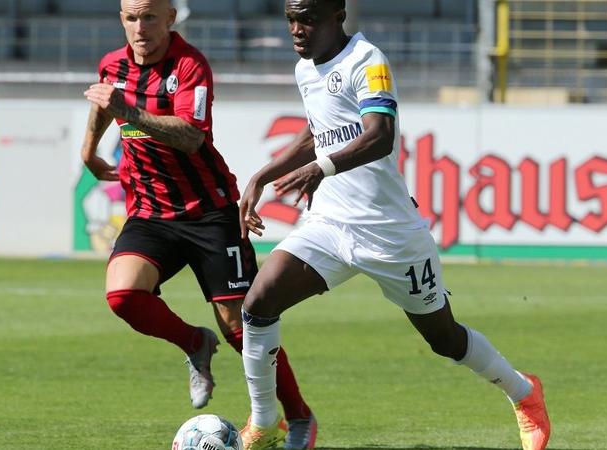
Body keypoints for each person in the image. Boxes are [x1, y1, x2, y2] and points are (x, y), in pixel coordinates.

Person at [237, 1, 551, 450]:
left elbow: (379, 134)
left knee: (444, 339)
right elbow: (316, 130)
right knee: (259, 301)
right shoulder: (305, 69)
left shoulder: (367, 60)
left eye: (306, 17)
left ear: (336, 14)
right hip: (329, 222)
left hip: (390, 233)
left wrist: (319, 169)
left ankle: (525, 393)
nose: (296, 29)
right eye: (290, 18)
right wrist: (261, 177)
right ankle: (265, 424)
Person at [80, 1, 317, 447]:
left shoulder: (190, 66)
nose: (140, 27)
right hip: (150, 211)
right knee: (123, 295)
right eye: (131, 18)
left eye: (149, 17)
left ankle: (299, 417)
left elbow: (191, 136)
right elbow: (104, 98)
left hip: (210, 213)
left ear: (170, 18)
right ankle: (193, 343)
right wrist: (89, 149)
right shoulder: (113, 64)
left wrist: (126, 110)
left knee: (241, 326)